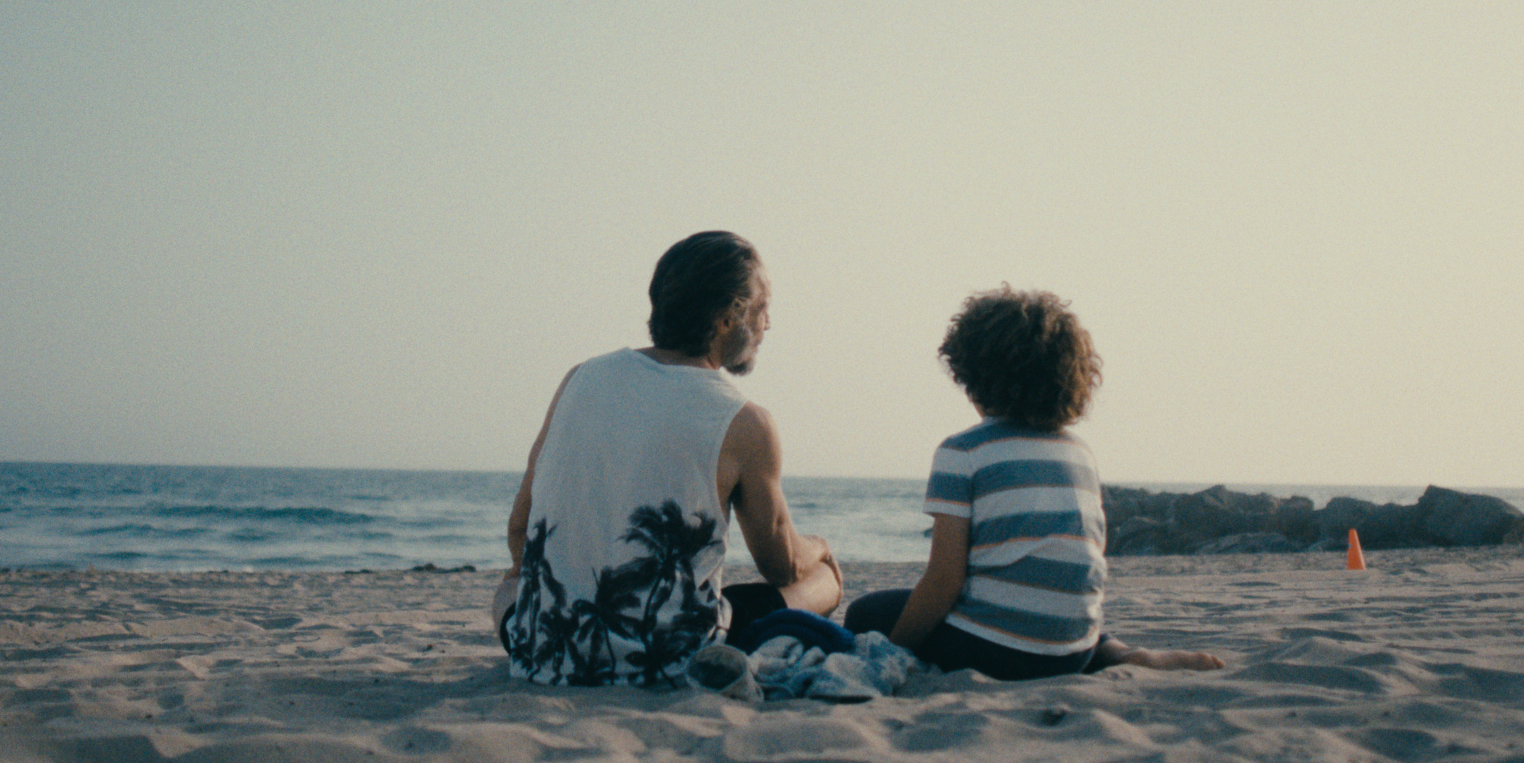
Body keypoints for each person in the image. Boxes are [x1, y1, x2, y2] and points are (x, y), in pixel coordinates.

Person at [493, 231, 843, 687]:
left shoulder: (580, 378)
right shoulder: (744, 420)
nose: (767, 324)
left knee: (507, 589)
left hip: (545, 652)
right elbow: (782, 566)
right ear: (725, 319)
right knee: (823, 580)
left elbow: (520, 531)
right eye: (761, 309)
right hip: (667, 660)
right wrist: (821, 546)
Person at [844, 286, 1223, 679]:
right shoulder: (1080, 453)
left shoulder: (962, 452)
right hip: (1071, 651)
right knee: (1042, 601)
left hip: (995, 653)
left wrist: (892, 649)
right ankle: (1121, 653)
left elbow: (944, 580)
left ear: (974, 374)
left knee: (866, 613)